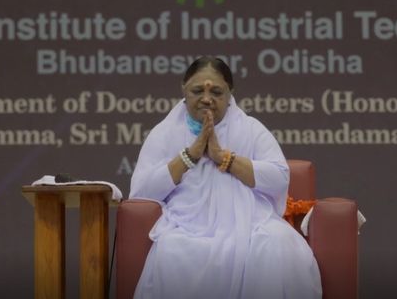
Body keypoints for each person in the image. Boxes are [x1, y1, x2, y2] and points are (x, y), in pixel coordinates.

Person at [129, 56, 322, 299]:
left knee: (277, 243)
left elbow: (279, 178)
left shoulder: (251, 128)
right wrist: (190, 155)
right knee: (171, 251)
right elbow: (141, 193)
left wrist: (224, 158)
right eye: (198, 90)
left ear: (230, 94)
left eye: (217, 92)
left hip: (252, 224)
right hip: (186, 226)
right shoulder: (164, 133)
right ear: (184, 90)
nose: (207, 99)